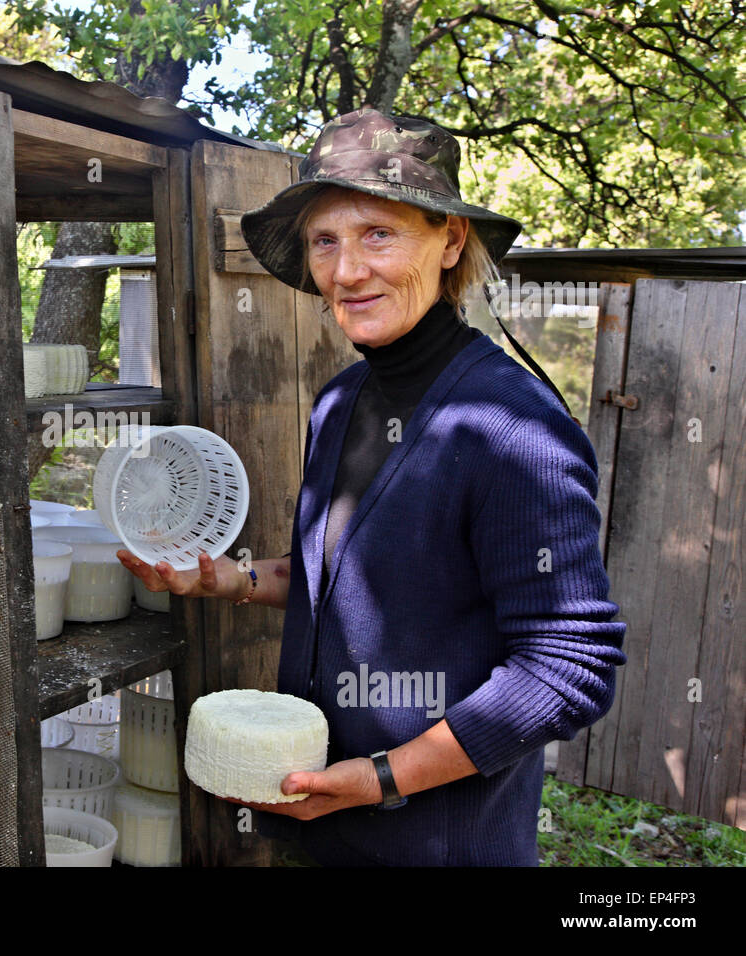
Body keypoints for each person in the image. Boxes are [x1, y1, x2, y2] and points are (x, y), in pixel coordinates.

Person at [115, 107, 626, 866]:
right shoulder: (341, 402)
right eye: (326, 241)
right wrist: (232, 579)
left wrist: (384, 778)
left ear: (450, 240)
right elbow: (352, 577)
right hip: (333, 829)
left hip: (442, 844)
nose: (346, 271)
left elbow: (568, 668)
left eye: (378, 234)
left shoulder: (512, 429)